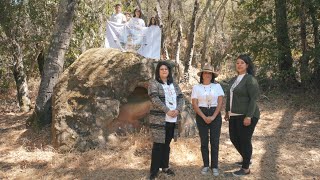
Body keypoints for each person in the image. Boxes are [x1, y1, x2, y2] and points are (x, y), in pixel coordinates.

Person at [224, 54, 260, 177]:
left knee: (245, 140)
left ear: (247, 65)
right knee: (234, 138)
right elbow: (229, 97)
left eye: (242, 63)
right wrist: (227, 111)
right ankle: (247, 158)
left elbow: (253, 99)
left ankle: (245, 169)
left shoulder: (250, 79)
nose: (239, 65)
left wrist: (249, 116)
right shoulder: (233, 80)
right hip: (234, 115)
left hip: (247, 114)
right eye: (237, 63)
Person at [148, 61, 184, 180]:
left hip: (172, 119)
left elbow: (181, 97)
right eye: (161, 69)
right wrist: (167, 110)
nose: (164, 71)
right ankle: (154, 171)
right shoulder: (153, 83)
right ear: (158, 71)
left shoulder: (174, 84)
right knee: (158, 144)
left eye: (166, 69)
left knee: (167, 144)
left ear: (169, 72)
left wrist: (178, 110)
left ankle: (165, 167)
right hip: (159, 119)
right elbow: (154, 98)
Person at [191, 63, 224, 177]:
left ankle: (214, 166)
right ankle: (205, 165)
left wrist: (214, 116)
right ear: (202, 75)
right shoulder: (196, 87)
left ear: (212, 75)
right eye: (205, 73)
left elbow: (220, 102)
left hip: (215, 113)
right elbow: (195, 104)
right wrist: (204, 117)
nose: (207, 75)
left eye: (210, 73)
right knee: (204, 141)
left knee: (214, 141)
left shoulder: (217, 86)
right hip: (201, 114)